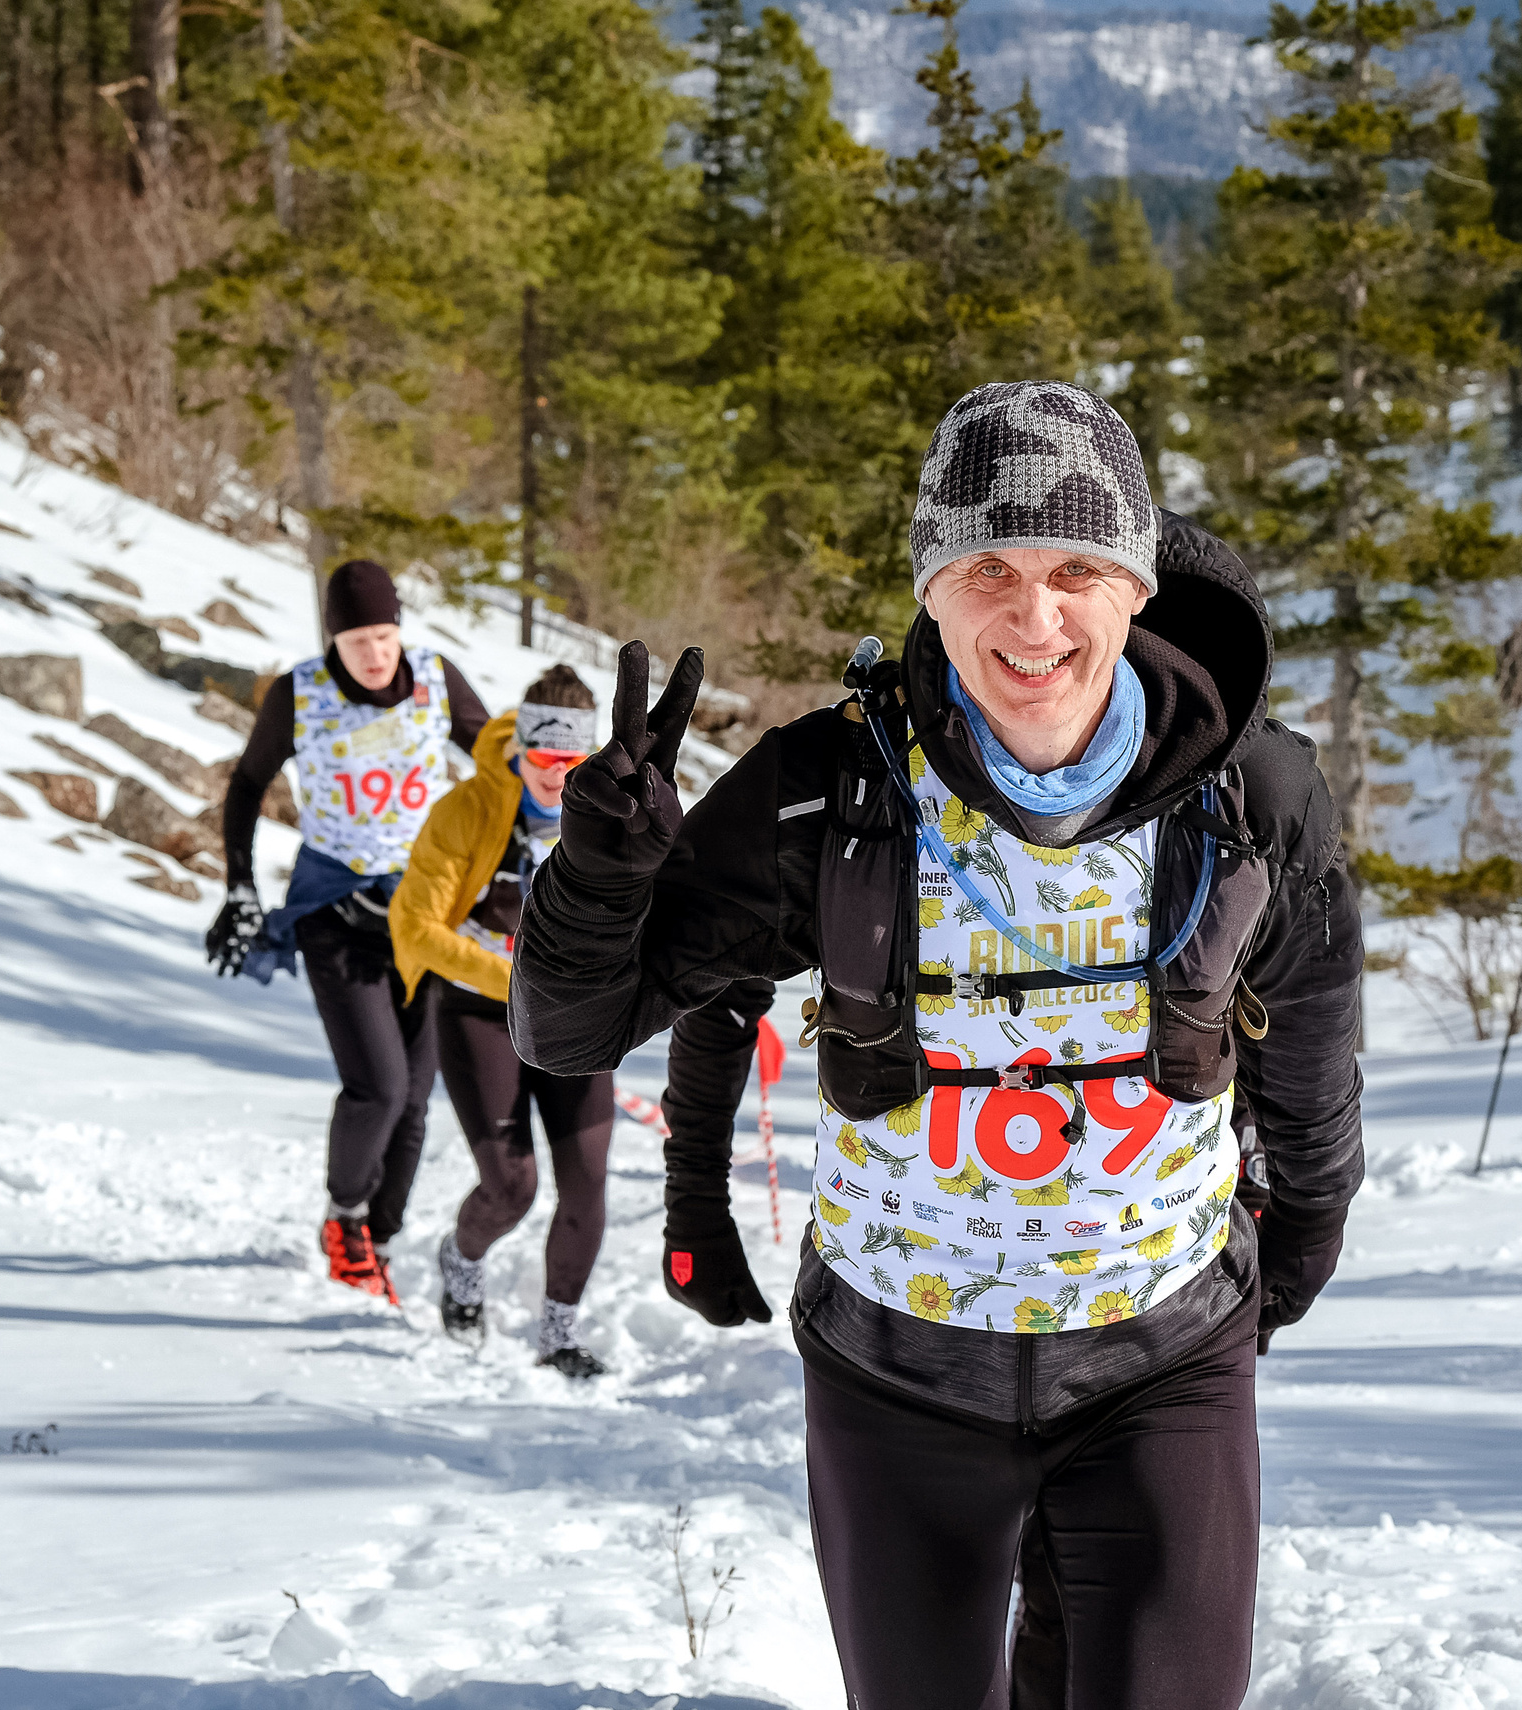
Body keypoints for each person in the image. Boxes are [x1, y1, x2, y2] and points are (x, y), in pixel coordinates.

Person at [508, 381, 1364, 1709]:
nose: (1035, 617)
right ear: (932, 586)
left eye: (1078, 566)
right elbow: (566, 1029)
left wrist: (1298, 1250)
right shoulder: (827, 784)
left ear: (1135, 584)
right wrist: (598, 874)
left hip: (1163, 1364)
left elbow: (1310, 1053)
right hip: (894, 1379)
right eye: (989, 569)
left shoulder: (1253, 793)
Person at [205, 560, 488, 1305]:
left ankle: (379, 1237)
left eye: (385, 635)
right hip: (337, 909)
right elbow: (245, 785)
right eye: (359, 639)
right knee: (379, 1086)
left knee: (419, 1095)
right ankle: (343, 1217)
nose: (375, 654)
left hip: (423, 912)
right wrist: (238, 886)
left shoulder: (435, 676)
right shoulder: (302, 692)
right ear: (334, 638)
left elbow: (497, 767)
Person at [387, 666, 616, 1379]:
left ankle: (558, 1334)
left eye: (572, 763)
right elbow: (415, 925)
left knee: (586, 1184)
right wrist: (518, 977)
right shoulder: (468, 809)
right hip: (478, 1007)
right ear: (519, 748)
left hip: (574, 1018)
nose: (556, 776)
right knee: (512, 1186)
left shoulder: (609, 817)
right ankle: (461, 1261)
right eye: (544, 760)